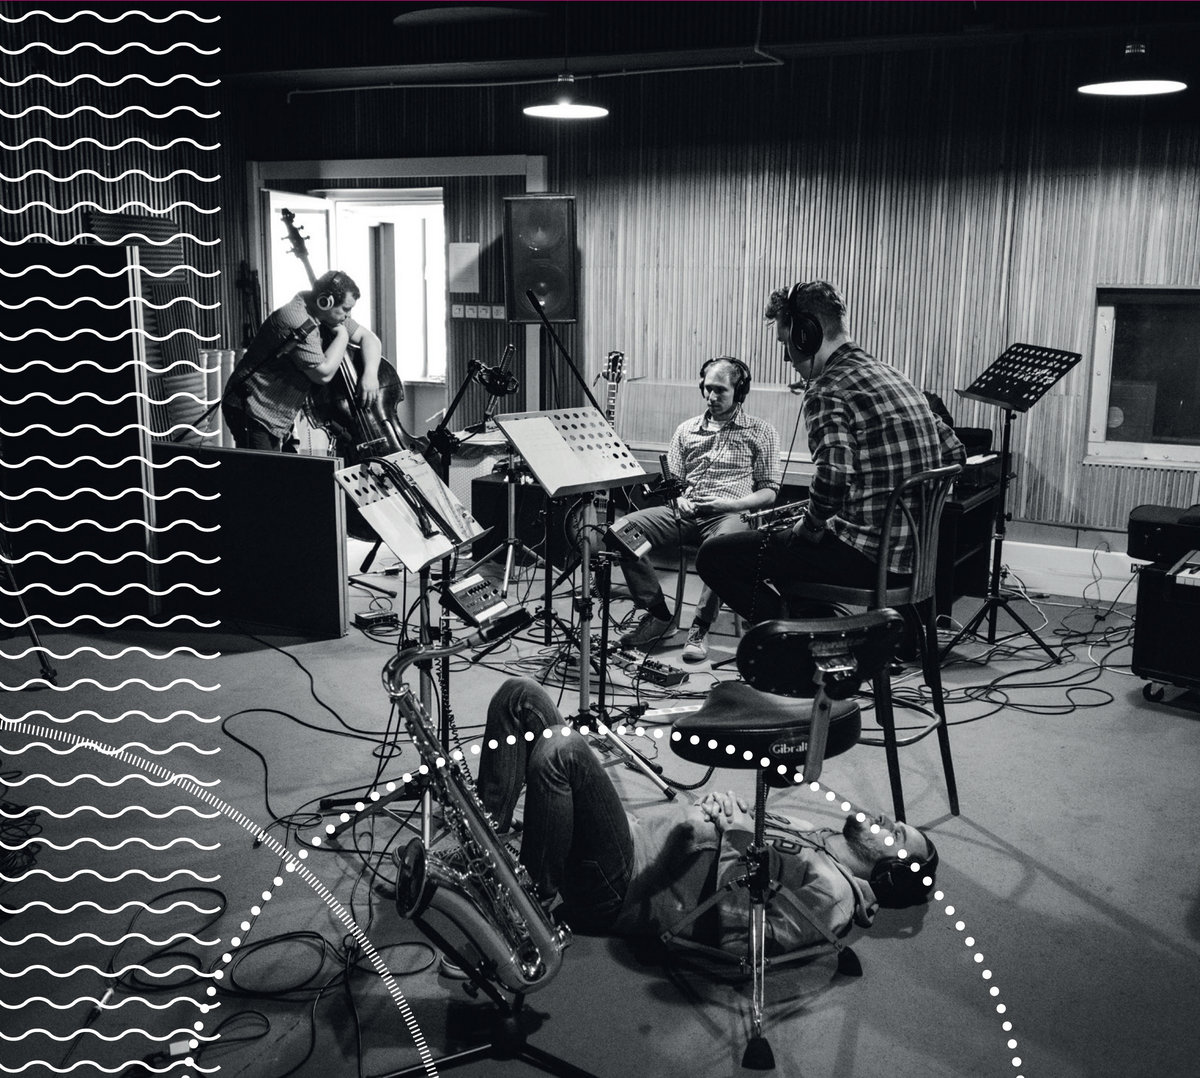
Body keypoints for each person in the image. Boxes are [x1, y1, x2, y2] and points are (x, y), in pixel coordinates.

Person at [475, 678, 939, 952]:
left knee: (561, 751)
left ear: (890, 872)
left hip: (624, 887)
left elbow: (742, 936)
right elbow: (732, 835)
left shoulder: (833, 897)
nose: (885, 817)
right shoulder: (814, 834)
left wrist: (735, 829)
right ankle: (482, 852)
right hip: (629, 838)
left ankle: (522, 913)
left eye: (896, 834)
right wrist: (720, 809)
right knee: (521, 696)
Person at [696, 281, 966, 624]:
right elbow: (955, 453)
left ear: (805, 335)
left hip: (865, 560)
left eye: (785, 342)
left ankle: (804, 643)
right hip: (916, 558)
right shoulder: (896, 376)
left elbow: (833, 481)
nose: (786, 357)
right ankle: (824, 631)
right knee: (785, 549)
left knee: (715, 557)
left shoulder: (828, 388)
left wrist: (809, 526)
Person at [609, 356, 780, 662]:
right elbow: (673, 483)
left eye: (720, 390)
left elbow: (769, 492)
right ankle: (659, 615)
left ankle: (700, 625)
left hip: (730, 514)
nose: (711, 396)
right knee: (622, 531)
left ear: (739, 392)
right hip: (685, 513)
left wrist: (730, 504)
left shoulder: (761, 431)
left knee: (722, 550)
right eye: (707, 388)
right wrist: (677, 498)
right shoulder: (685, 430)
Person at [221, 270, 384, 451]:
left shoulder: (327, 313)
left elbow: (370, 339)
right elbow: (323, 375)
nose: (348, 315)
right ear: (325, 301)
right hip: (253, 408)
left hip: (277, 412)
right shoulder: (297, 320)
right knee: (263, 468)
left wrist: (370, 375)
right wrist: (343, 335)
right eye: (346, 309)